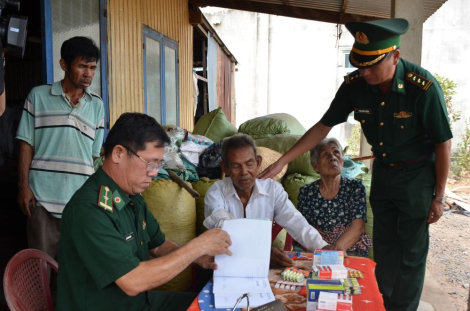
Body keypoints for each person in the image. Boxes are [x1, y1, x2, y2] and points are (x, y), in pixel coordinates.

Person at [259, 18, 452, 310]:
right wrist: (282, 162)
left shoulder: (422, 88)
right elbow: (323, 127)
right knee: (385, 249)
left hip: (417, 178)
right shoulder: (355, 85)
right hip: (384, 174)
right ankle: (383, 303)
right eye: (360, 65)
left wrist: (438, 196)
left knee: (410, 254)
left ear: (395, 56)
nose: (365, 72)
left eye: (373, 65)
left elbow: (443, 143)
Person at [57, 112, 232, 311]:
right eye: (150, 162)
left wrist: (198, 257)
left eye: (158, 164)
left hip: (138, 303)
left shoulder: (131, 196)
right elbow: (133, 281)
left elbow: (158, 245)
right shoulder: (89, 209)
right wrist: (197, 247)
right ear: (118, 154)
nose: (155, 172)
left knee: (216, 305)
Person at [16, 36, 105, 259]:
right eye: (82, 66)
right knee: (40, 264)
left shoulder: (97, 105)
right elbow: (26, 144)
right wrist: (23, 186)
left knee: (74, 266)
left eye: (93, 67)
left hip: (79, 202)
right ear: (64, 65)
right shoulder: (38, 96)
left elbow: (94, 157)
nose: (89, 74)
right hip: (42, 199)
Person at [204, 134, 333, 268]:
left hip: (262, 265)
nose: (244, 172)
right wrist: (262, 253)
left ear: (258, 162)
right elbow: (225, 228)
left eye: (249, 164)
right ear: (225, 168)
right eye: (236, 166)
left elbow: (295, 221)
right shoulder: (216, 192)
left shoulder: (273, 189)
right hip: (227, 264)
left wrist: (323, 247)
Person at [297, 138, 372, 257]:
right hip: (317, 248)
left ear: (343, 160)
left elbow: (358, 226)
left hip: (349, 247)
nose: (332, 157)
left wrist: (336, 249)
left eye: (336, 152)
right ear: (315, 166)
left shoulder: (355, 187)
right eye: (325, 154)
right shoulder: (307, 192)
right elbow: (304, 228)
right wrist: (323, 250)